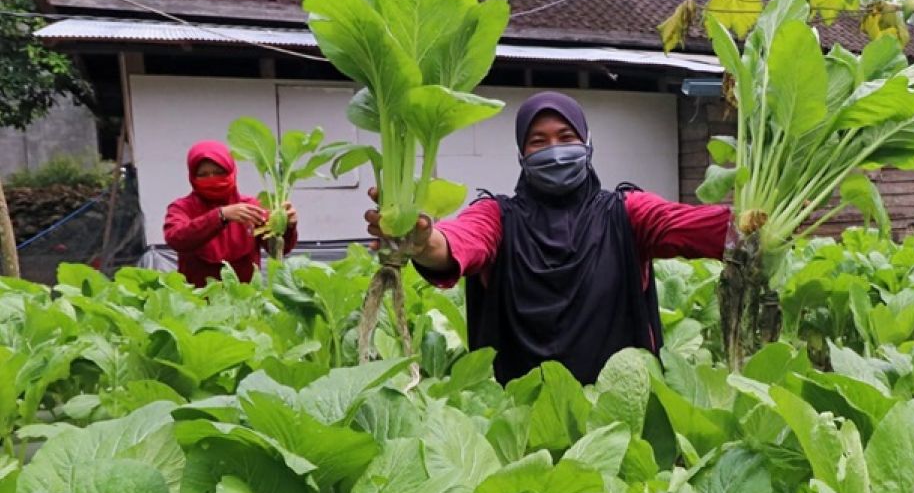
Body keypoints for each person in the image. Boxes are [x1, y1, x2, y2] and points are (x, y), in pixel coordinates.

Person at [366, 91, 732, 384]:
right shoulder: (498, 216)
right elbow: (460, 242)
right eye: (538, 141)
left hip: (619, 410)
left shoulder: (625, 213)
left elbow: (696, 228)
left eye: (566, 137)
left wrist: (763, 224)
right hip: (518, 417)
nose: (554, 150)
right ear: (522, 155)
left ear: (587, 144)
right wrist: (425, 245)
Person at [164, 140, 297, 288]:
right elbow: (175, 237)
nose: (212, 179)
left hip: (246, 300)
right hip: (198, 302)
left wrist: (288, 226)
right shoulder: (182, 208)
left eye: (219, 173)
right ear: (192, 177)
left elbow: (279, 248)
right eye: (203, 175)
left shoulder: (251, 207)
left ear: (232, 171)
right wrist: (220, 216)